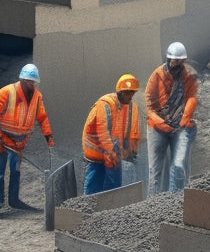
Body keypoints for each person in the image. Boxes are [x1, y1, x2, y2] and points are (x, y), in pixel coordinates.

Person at [0, 63, 54, 214]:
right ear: (22, 80)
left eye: (33, 83)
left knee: (15, 171)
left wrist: (48, 136)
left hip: (19, 143)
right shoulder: (7, 92)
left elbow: (42, 118)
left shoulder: (37, 97)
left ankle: (13, 200)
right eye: (29, 82)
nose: (32, 85)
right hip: (2, 140)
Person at [145, 41, 198, 194]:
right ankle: (153, 204)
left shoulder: (188, 76)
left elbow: (191, 98)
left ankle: (177, 202)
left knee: (179, 168)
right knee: (155, 171)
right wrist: (161, 123)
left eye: (179, 61)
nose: (176, 64)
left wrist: (184, 119)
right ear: (168, 60)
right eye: (174, 61)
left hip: (178, 128)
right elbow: (149, 105)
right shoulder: (157, 75)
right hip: (157, 128)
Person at [82, 74, 141, 195]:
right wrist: (112, 154)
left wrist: (119, 152)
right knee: (94, 186)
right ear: (121, 93)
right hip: (96, 152)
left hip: (104, 152)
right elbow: (103, 132)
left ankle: (105, 205)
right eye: (129, 93)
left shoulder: (118, 107)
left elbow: (114, 134)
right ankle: (88, 207)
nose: (131, 96)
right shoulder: (106, 106)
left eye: (133, 93)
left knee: (105, 186)